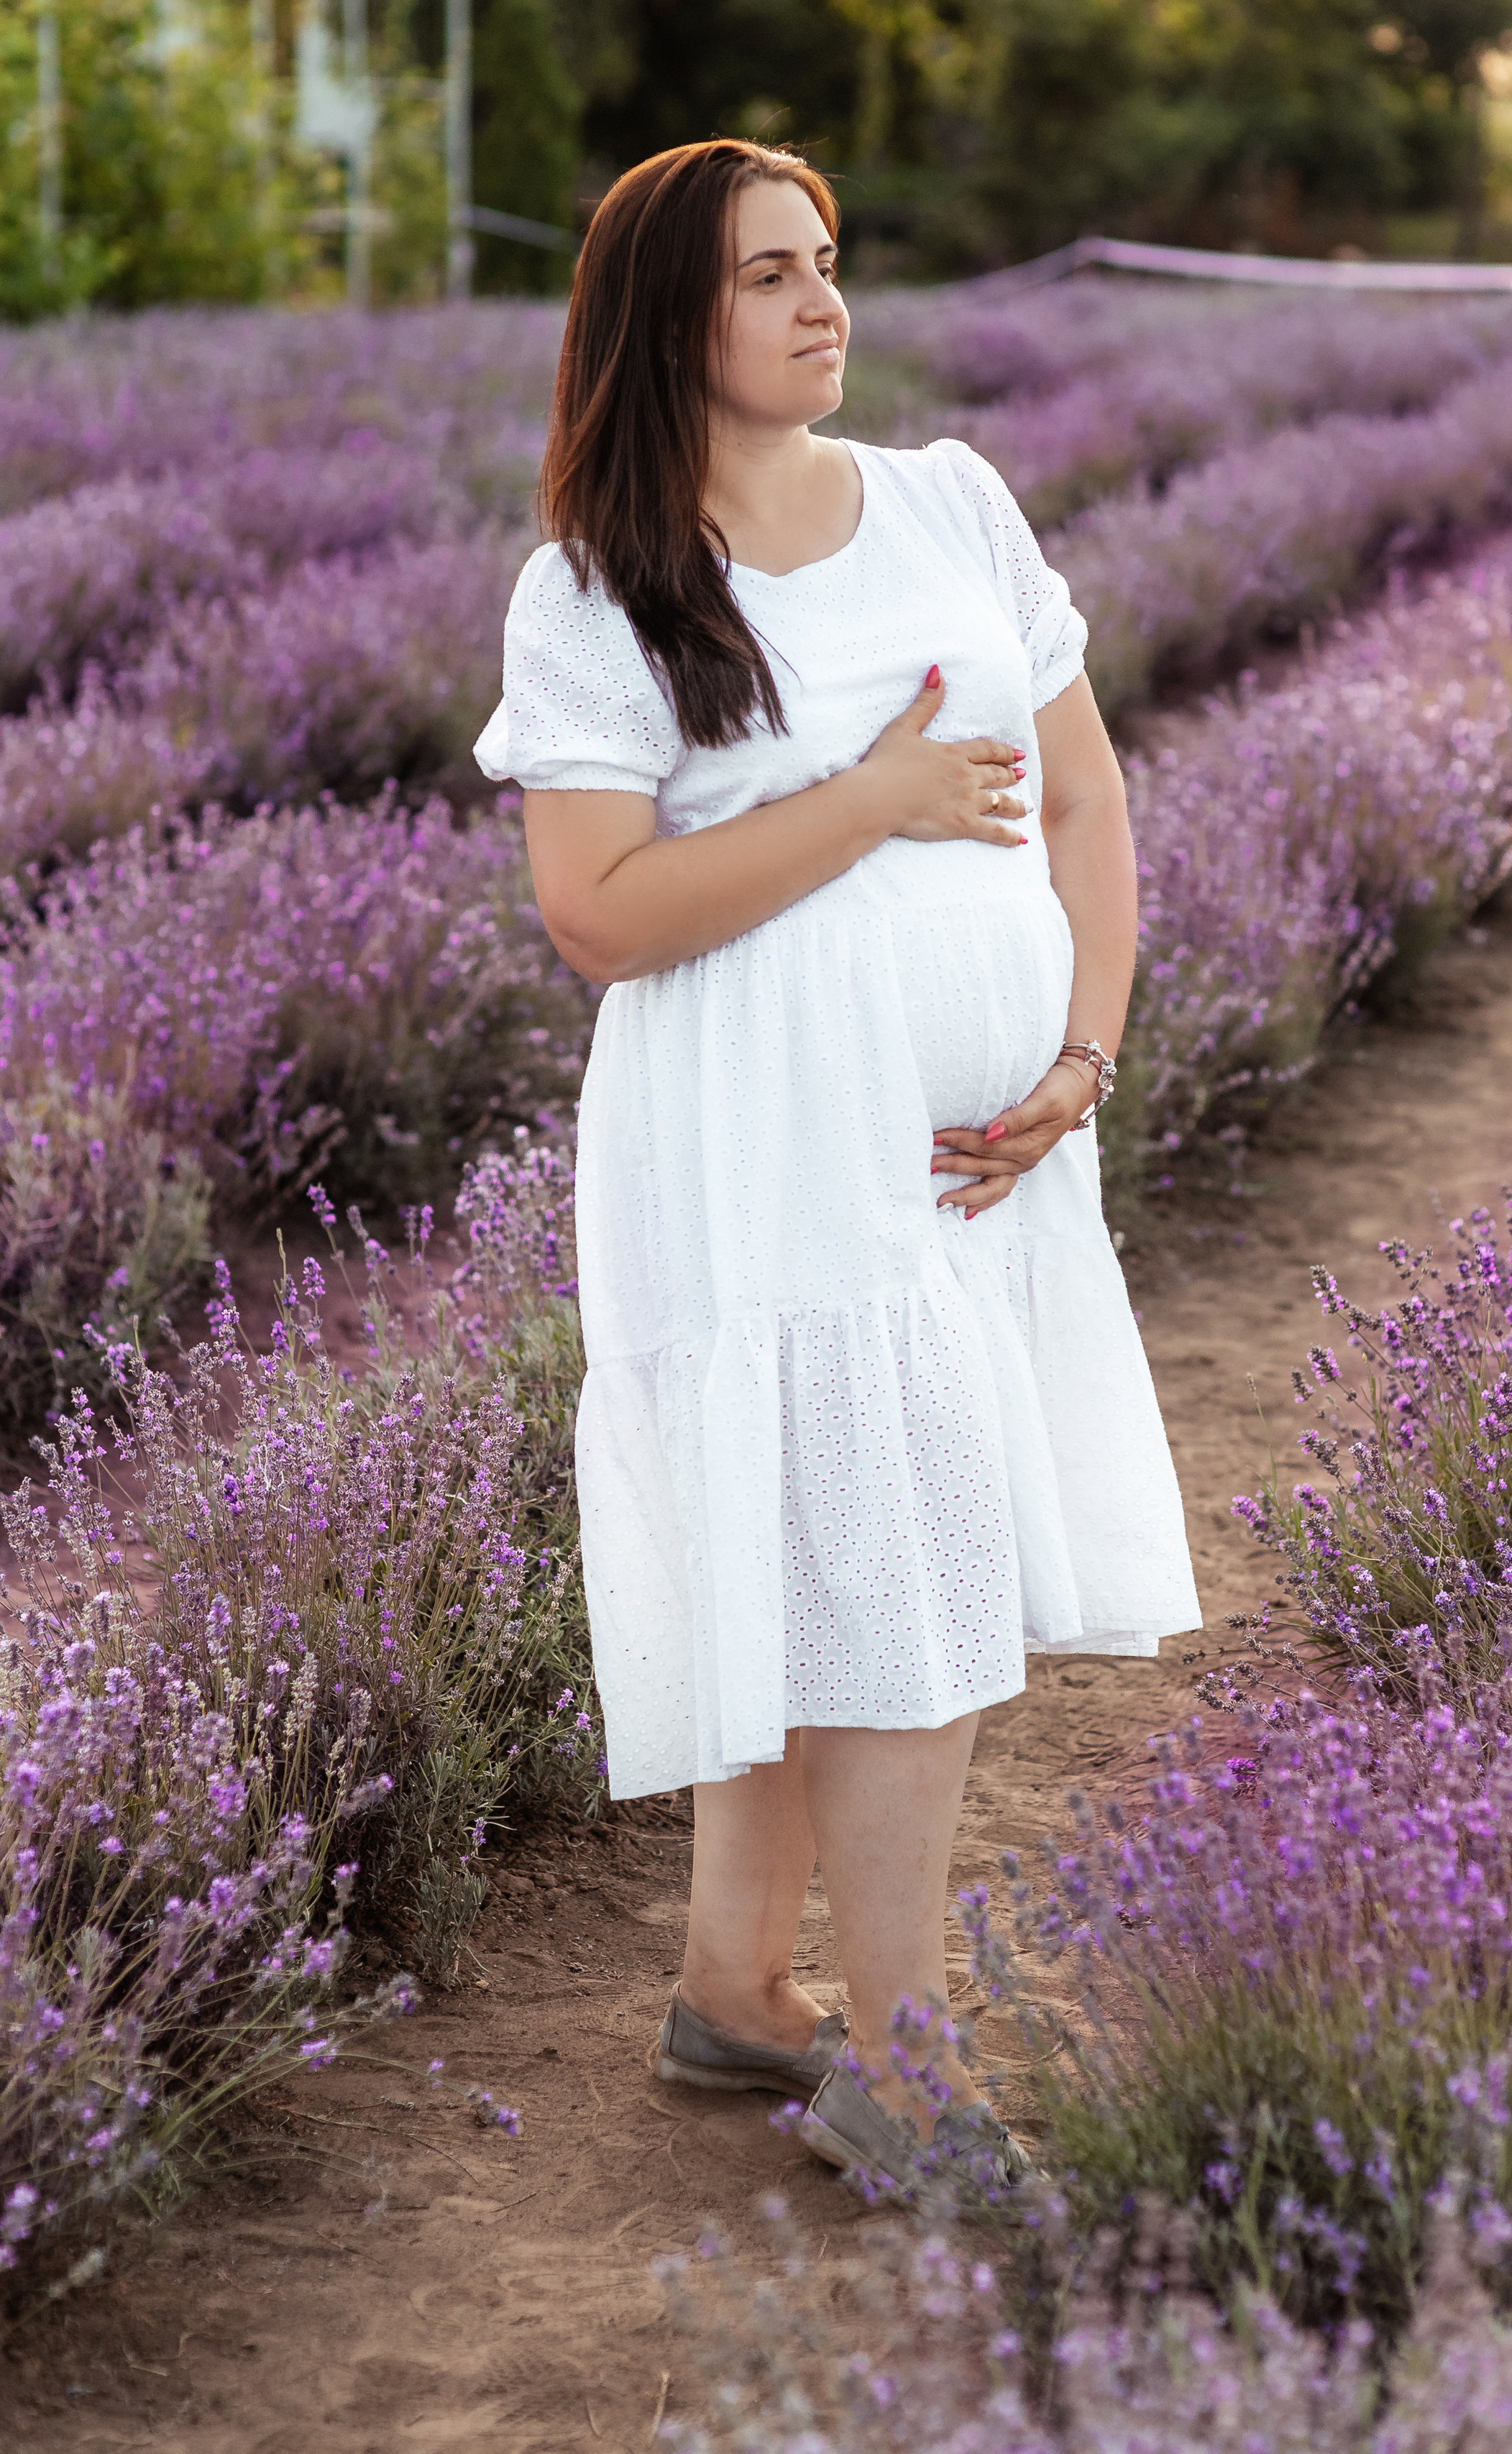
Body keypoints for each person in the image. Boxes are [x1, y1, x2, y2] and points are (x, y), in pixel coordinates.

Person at [475, 137, 1200, 2191]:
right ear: (666, 324)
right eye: (768, 278)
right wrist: (870, 794)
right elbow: (601, 911)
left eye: (828, 264)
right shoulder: (602, 583)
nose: (824, 305)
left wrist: (1086, 1053)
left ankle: (734, 1992)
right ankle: (908, 2061)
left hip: (981, 1152)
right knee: (900, 1564)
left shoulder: (952, 499)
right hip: (761, 1143)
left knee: (845, 1542)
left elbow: (1085, 803)